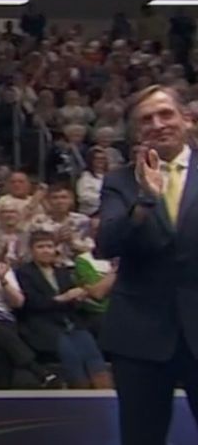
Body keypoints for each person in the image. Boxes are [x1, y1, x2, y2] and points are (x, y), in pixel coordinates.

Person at [96, 85, 198, 444]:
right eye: (146, 120)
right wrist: (145, 200)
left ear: (187, 118)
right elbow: (106, 244)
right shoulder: (120, 181)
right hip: (140, 337)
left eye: (165, 114)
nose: (157, 124)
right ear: (136, 132)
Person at [16, 231, 112, 389]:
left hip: (70, 322)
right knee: (71, 354)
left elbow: (73, 301)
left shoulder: (63, 272)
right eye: (40, 247)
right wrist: (62, 298)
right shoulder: (23, 273)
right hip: (41, 324)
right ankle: (80, 396)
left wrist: (78, 297)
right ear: (32, 250)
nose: (46, 250)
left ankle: (104, 394)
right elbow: (30, 303)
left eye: (49, 246)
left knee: (92, 353)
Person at [0, 230, 57, 389]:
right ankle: (38, 371)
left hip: (4, 322)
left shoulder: (2, 269)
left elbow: (18, 303)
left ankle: (1, 395)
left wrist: (3, 281)